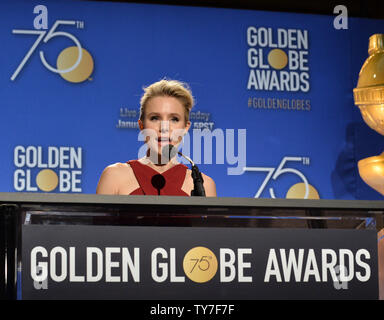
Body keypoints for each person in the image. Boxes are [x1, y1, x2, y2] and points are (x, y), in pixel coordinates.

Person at [96, 79, 217, 196]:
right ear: (141, 125)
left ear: (185, 127)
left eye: (174, 119)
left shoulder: (203, 185)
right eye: (155, 118)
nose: (164, 127)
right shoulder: (114, 176)